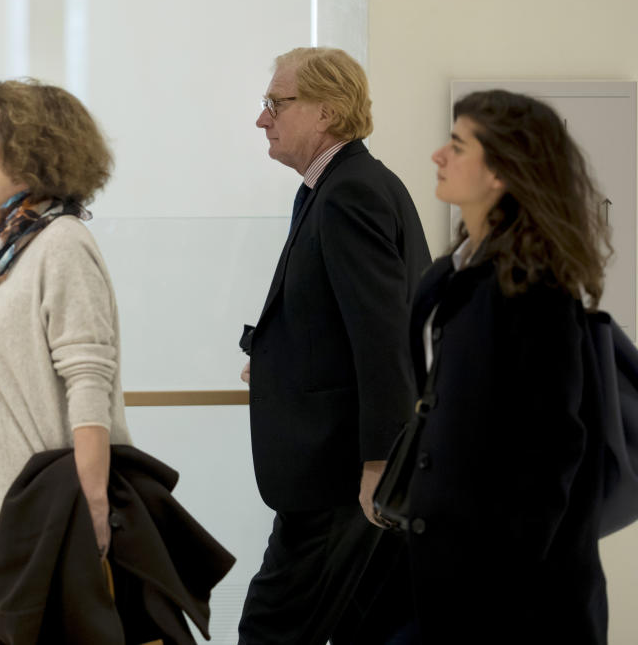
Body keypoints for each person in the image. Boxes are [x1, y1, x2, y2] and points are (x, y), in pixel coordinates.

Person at [0, 79, 132, 644]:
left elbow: (88, 379)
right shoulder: (3, 245)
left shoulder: (61, 243)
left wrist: (93, 507)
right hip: (2, 521)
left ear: (29, 150)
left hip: (51, 521)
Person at [238, 47, 431, 644]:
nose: (262, 118)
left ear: (326, 112)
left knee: (271, 629)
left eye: (276, 103)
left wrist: (378, 467)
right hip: (335, 475)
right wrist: (272, 357)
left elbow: (384, 341)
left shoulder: (351, 193)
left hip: (340, 480)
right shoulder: (337, 187)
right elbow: (336, 321)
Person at [404, 89, 611, 644]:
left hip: (513, 597)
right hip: (441, 571)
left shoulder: (537, 290)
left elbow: (550, 455)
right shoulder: (446, 278)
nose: (437, 157)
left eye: (456, 146)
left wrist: (503, 584)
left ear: (500, 172)